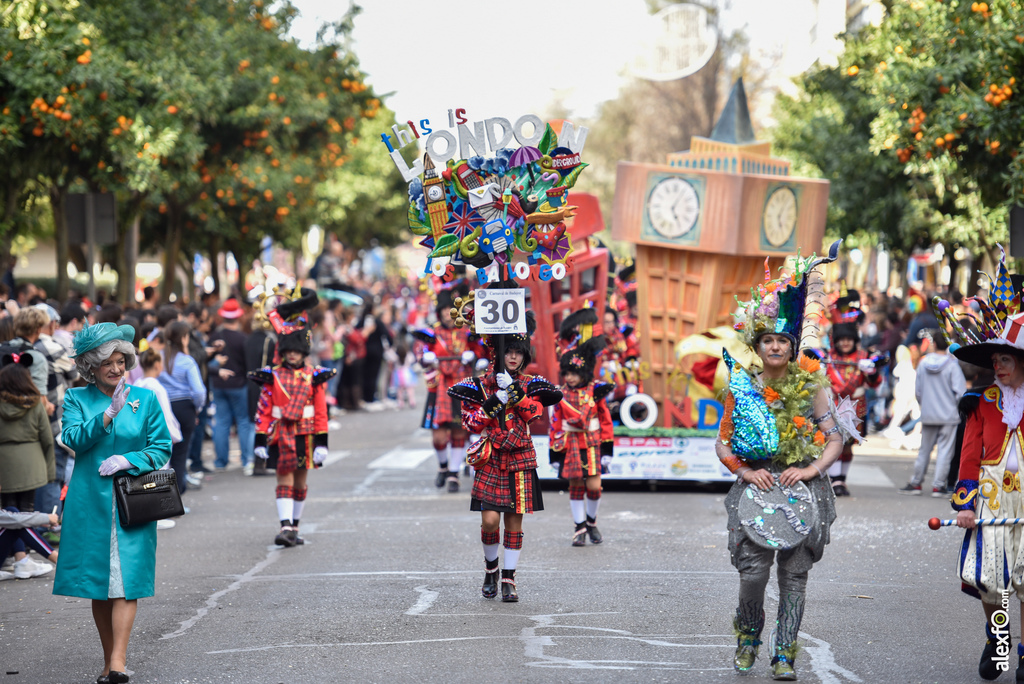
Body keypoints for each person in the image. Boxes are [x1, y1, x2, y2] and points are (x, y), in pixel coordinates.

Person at [716, 245, 846, 680]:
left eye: (782, 341)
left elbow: (833, 438)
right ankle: (748, 638)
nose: (775, 346)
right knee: (753, 575)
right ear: (758, 345)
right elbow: (722, 443)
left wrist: (810, 471)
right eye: (768, 340)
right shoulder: (742, 386)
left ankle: (785, 653)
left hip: (803, 492)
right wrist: (745, 471)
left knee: (795, 577)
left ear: (792, 348)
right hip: (756, 490)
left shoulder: (812, 386)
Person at [54, 322, 172, 683]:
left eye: (122, 361)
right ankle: (109, 661)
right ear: (91, 365)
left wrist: (130, 460)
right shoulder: (76, 399)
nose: (118, 368)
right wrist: (107, 415)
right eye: (109, 362)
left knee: (126, 581)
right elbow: (72, 438)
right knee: (99, 584)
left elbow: (162, 447)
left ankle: (118, 661)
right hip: (90, 503)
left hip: (133, 501)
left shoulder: (147, 398)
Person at [448, 309, 562, 602]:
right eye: (508, 351)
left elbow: (535, 414)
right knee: (489, 521)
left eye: (518, 353)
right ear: (498, 352)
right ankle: (491, 569)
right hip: (491, 458)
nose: (513, 357)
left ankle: (509, 579)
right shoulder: (479, 385)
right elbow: (471, 423)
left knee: (514, 521)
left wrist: (513, 392)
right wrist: (492, 403)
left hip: (521, 457)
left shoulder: (529, 383)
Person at [250, 289, 335, 547]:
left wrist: (322, 443)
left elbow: (320, 411)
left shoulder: (314, 376)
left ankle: (295, 527)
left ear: (303, 351)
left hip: (306, 433)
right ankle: (285, 526)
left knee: (300, 482)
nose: (292, 355)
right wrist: (260, 440)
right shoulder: (271, 376)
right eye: (289, 351)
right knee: (283, 478)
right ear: (284, 351)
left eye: (296, 351)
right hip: (280, 433)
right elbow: (264, 410)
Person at [414, 286, 485, 492]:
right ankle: (443, 466)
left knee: (459, 432)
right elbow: (420, 352)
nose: (447, 313)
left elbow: (480, 350)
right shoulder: (432, 333)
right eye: (444, 310)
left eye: (450, 309)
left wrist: (476, 357)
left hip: (461, 385)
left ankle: (453, 474)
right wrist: (424, 357)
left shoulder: (467, 332)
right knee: (438, 437)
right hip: (439, 387)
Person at [550, 332, 613, 546]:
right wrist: (554, 452)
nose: (569, 378)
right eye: (567, 373)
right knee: (576, 486)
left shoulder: (595, 392)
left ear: (584, 372)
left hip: (593, 444)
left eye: (574, 373)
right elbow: (555, 424)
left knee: (594, 487)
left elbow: (605, 421)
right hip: (571, 445)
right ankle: (579, 527)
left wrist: (607, 450)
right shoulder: (560, 395)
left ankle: (591, 522)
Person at [0, 357, 56, 578]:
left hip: (4, 463)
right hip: (32, 462)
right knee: (25, 512)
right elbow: (47, 438)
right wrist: (50, 471)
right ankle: (24, 561)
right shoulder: (35, 403)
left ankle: (17, 558)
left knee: (8, 513)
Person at [824, 292, 881, 496]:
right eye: (842, 339)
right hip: (832, 407)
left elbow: (874, 383)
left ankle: (841, 480)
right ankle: (833, 479)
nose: (845, 343)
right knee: (832, 442)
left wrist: (872, 372)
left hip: (855, 408)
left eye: (849, 339)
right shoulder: (827, 358)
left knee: (847, 446)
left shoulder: (865, 357)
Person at [899, 329, 965, 496]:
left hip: (929, 413)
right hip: (949, 415)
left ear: (933, 344)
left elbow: (918, 391)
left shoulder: (923, 363)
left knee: (924, 449)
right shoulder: (952, 365)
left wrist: (924, 406)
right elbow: (960, 392)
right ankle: (938, 485)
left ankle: (916, 482)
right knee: (945, 451)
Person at [208, 298, 256, 475]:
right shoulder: (243, 338)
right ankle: (246, 459)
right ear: (238, 317)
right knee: (243, 422)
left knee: (221, 422)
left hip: (218, 384)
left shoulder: (215, 336)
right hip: (239, 385)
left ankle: (221, 461)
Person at [157, 321, 204, 492]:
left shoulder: (158, 357)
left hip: (161, 407)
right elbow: (199, 391)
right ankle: (177, 493)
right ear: (184, 338)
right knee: (181, 453)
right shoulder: (187, 361)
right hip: (184, 408)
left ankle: (163, 494)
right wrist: (197, 408)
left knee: (162, 453)